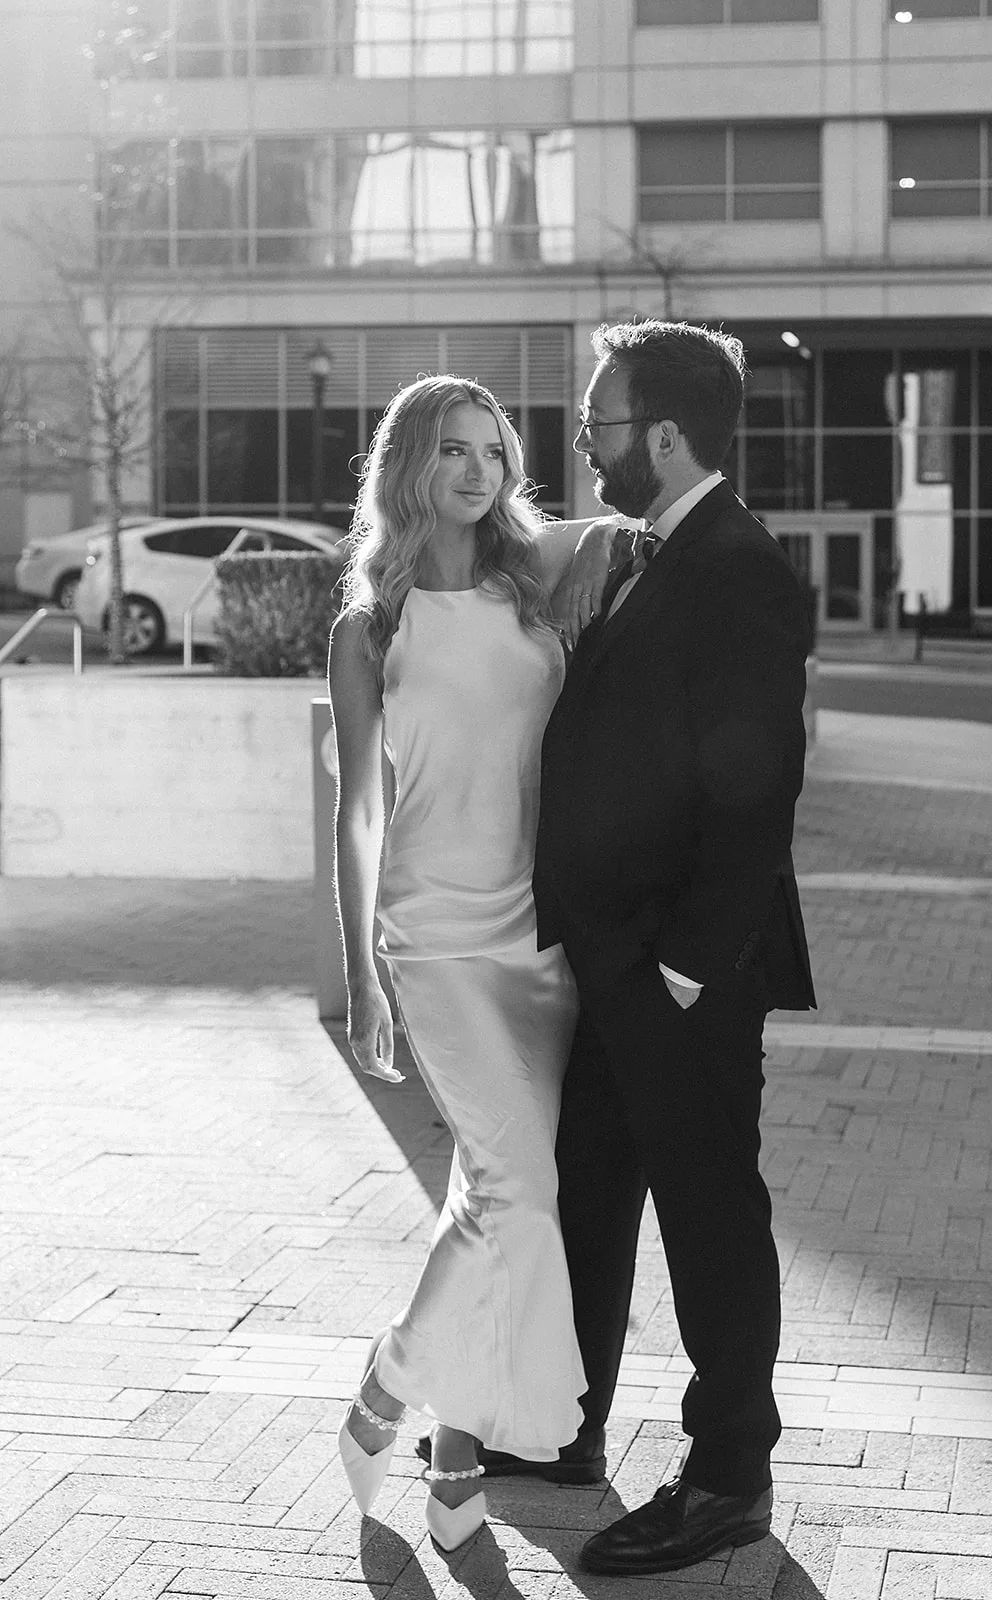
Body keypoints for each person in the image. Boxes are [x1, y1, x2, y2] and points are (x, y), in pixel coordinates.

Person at [532, 320, 818, 1574]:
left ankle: (727, 1477)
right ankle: (566, 1427)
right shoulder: (653, 548)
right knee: (587, 1195)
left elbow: (756, 790)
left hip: (678, 976)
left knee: (708, 1220)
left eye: (599, 425)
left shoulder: (739, 564)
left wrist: (686, 968)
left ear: (660, 433)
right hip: (611, 963)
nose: (584, 447)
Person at [328, 374, 615, 1551]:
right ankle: (395, 1381)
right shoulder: (371, 626)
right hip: (434, 935)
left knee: (487, 1195)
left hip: (537, 939)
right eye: (451, 450)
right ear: (410, 466)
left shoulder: (530, 582)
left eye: (492, 450)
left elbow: (634, 540)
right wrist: (361, 977)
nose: (478, 470)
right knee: (519, 1192)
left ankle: (449, 1458)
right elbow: (357, 813)